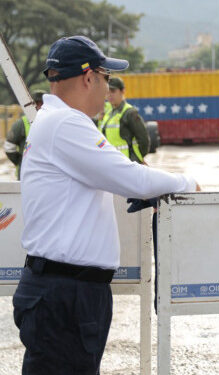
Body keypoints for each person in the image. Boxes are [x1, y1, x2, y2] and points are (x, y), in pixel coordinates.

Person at [12, 35, 200, 374]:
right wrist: (187, 183)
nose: (106, 87)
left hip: (65, 291)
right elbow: (132, 178)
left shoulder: (55, 121)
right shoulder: (66, 123)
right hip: (64, 296)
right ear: (88, 78)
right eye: (106, 78)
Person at [98, 76, 150, 163]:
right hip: (112, 162)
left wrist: (136, 160)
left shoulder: (129, 113)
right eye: (107, 92)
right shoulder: (108, 113)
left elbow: (144, 140)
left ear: (123, 91)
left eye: (113, 91)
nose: (109, 95)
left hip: (127, 163)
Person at [3, 90, 45, 180]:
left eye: (42, 104)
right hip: (25, 175)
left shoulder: (52, 122)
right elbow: (9, 147)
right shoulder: (21, 123)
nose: (39, 107)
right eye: (36, 103)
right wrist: (20, 161)